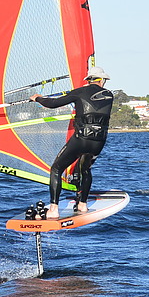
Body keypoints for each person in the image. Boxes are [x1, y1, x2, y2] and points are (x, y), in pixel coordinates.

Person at [30, 66, 114, 218]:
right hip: (99, 142)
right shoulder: (110, 95)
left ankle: (54, 209)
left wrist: (38, 98)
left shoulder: (80, 92)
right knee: (85, 169)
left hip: (81, 139)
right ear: (101, 80)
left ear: (89, 80)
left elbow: (53, 104)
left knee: (56, 169)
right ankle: (82, 205)